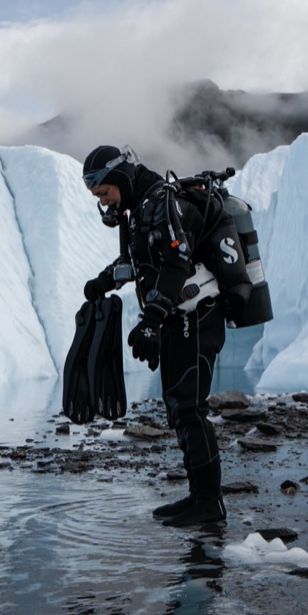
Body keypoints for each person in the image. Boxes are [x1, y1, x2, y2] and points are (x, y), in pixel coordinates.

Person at [81, 144, 227, 528]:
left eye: (103, 192)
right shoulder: (139, 210)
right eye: (98, 197)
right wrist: (101, 283)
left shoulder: (161, 201)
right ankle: (199, 497)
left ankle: (210, 504)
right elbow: (138, 263)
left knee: (190, 406)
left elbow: (178, 260)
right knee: (178, 405)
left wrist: (152, 319)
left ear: (118, 178)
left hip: (198, 313)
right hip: (179, 316)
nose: (104, 201)